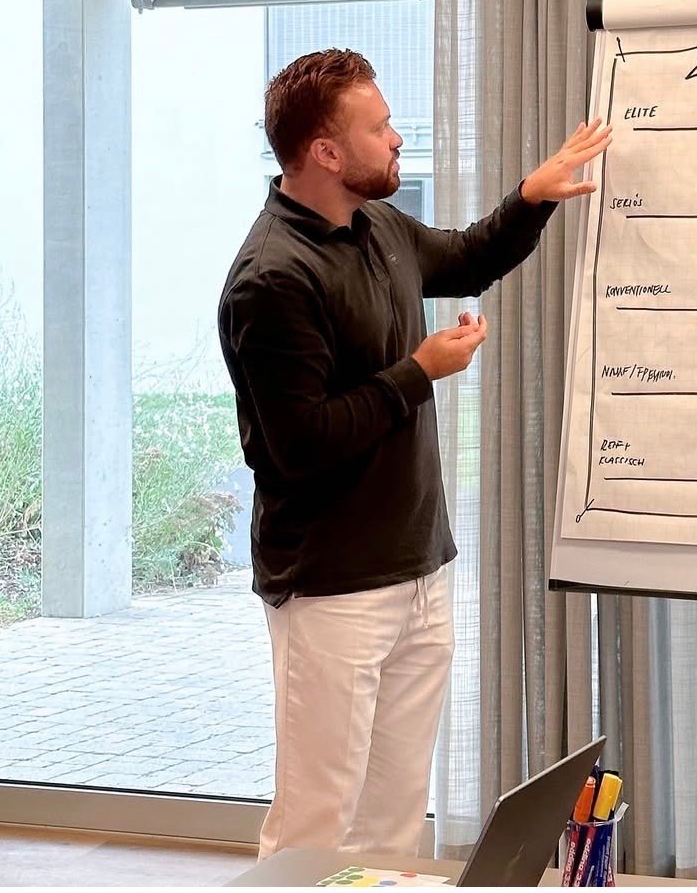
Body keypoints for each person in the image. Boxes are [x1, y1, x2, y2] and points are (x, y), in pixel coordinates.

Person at [217, 48, 611, 860]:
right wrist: (418, 372)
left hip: (418, 570)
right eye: (381, 126)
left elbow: (465, 256)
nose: (398, 138)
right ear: (325, 152)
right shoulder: (271, 278)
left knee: (394, 821)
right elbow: (298, 448)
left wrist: (531, 197)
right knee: (314, 826)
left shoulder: (379, 225)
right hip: (331, 590)